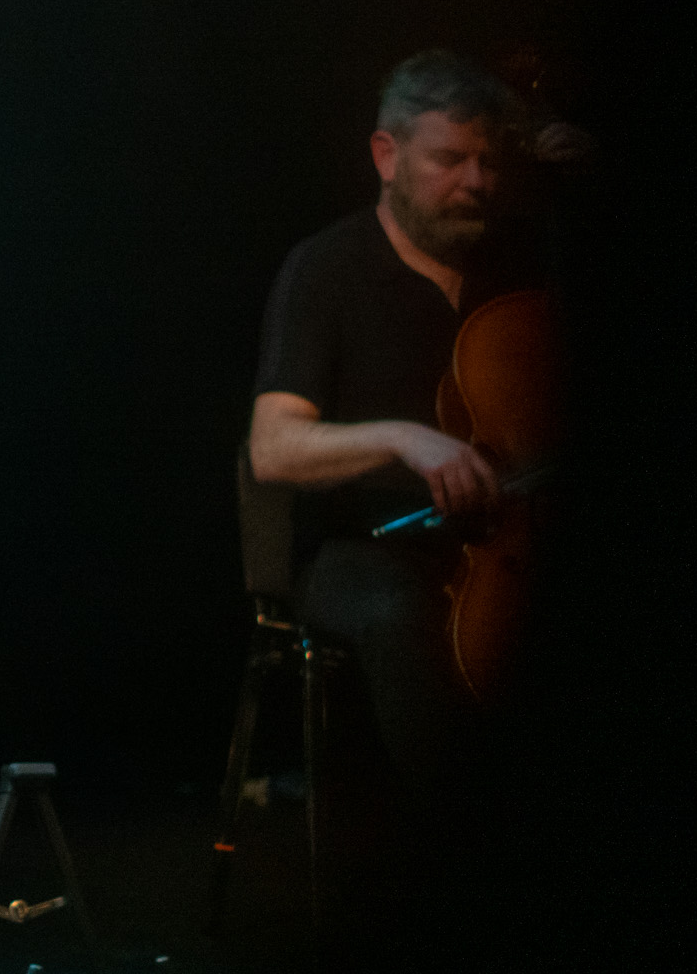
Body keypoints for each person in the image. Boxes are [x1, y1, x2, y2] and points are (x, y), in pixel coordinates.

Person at [246, 50, 539, 823]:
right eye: (449, 160)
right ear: (387, 156)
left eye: (488, 161)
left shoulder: (519, 269)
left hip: (502, 542)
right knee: (402, 618)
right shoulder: (326, 269)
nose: (476, 182)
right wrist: (410, 439)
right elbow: (273, 447)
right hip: (362, 547)